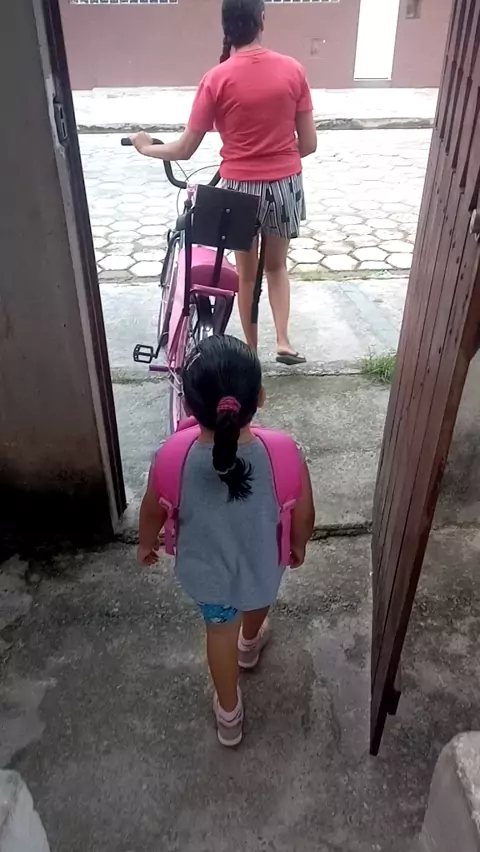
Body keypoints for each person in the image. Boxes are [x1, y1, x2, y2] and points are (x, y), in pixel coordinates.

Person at [137, 335, 315, 746]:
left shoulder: (172, 456)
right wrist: (299, 544)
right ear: (260, 397)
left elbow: (151, 511)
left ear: (188, 405)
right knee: (257, 600)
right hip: (263, 565)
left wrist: (146, 544)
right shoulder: (286, 453)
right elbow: (304, 515)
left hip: (209, 577)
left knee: (219, 634)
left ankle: (229, 715)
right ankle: (249, 645)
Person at [130, 0, 317, 363]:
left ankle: (251, 353)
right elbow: (308, 144)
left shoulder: (216, 79)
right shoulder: (293, 70)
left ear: (227, 26)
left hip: (240, 190)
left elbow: (184, 149)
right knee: (277, 266)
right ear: (262, 20)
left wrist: (144, 147)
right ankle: (283, 341)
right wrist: (277, 153)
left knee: (246, 276)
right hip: (284, 185)